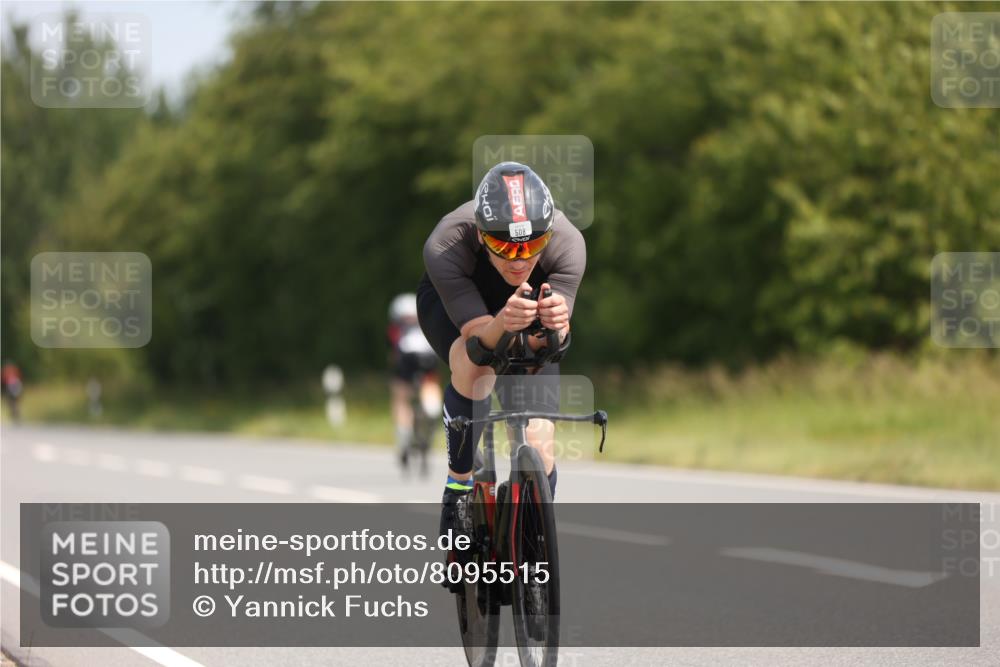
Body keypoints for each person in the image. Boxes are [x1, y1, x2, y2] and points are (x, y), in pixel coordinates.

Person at [417, 161, 586, 538]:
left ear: (549, 234)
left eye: (532, 246)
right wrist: (503, 321)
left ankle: (531, 542)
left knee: (540, 450)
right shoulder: (446, 243)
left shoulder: (567, 243)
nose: (520, 260)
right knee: (478, 368)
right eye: (503, 246)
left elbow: (551, 346)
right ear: (480, 234)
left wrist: (557, 326)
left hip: (523, 315)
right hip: (458, 310)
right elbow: (480, 343)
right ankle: (458, 487)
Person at [388, 294, 443, 469]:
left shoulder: (395, 329)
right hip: (429, 363)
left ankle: (403, 434)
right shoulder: (429, 325)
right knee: (431, 385)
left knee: (401, 397)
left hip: (405, 364)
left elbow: (392, 355)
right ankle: (432, 412)